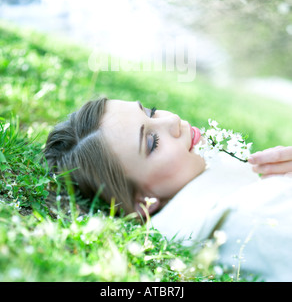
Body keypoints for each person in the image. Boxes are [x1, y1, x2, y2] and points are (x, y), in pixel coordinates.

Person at [44, 97, 292, 282]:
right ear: (143, 202)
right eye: (152, 142)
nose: (172, 120)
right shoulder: (253, 217)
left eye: (150, 112)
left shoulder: (241, 195)